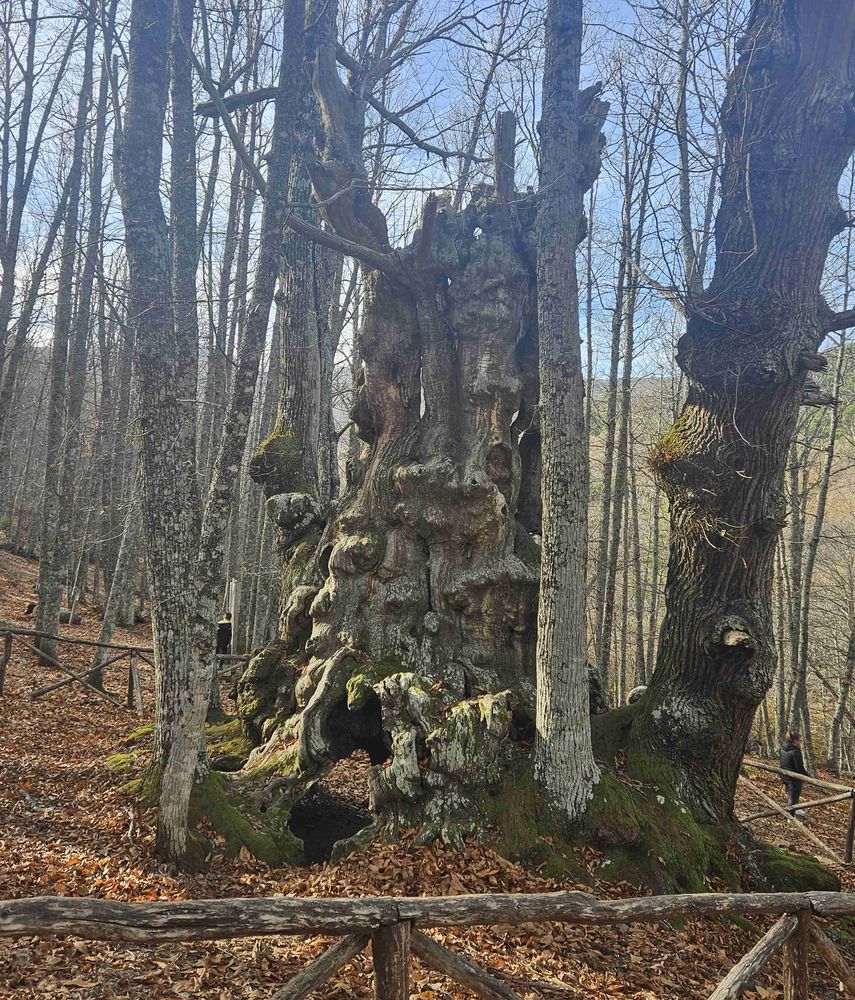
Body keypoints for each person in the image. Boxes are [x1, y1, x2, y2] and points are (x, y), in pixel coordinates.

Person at [780, 731, 808, 817]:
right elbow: (799, 767)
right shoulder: (795, 752)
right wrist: (806, 775)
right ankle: (790, 817)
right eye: (800, 740)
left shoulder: (783, 748)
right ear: (795, 741)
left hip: (784, 775)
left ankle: (795, 809)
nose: (801, 743)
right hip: (793, 778)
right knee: (793, 797)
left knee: (792, 795)